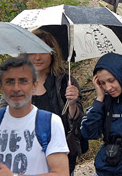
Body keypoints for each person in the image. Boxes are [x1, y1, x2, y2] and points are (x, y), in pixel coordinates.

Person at [9, 30, 83, 174]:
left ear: (52, 54)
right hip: (24, 154)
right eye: (33, 51)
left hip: (58, 154)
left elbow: (77, 122)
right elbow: (4, 115)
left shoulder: (65, 82)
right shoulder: (15, 84)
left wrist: (73, 104)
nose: (37, 57)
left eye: (43, 51)